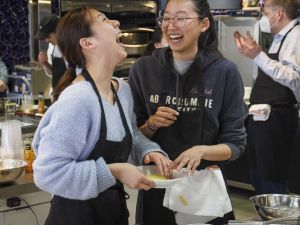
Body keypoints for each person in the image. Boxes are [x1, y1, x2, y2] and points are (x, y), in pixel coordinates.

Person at [32, 7, 172, 225]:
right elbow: (47, 173)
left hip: (112, 213)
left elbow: (130, 134)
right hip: (74, 218)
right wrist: (115, 170)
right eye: (104, 19)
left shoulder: (122, 89)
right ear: (88, 43)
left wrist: (149, 151)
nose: (116, 22)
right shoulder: (78, 99)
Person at [128, 0, 248, 224]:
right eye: (166, 18)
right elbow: (132, 134)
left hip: (203, 193)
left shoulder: (225, 72)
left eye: (181, 18)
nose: (171, 25)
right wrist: (152, 124)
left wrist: (202, 151)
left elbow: (236, 144)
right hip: (156, 186)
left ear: (203, 24)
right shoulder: (143, 69)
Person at [234, 0, 300, 194]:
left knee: (273, 179)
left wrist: (258, 56)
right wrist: (255, 54)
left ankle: (279, 219)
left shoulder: (296, 36)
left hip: (278, 120)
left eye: (265, 12)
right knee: (256, 175)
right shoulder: (278, 38)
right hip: (260, 118)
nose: (263, 18)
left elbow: (295, 79)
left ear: (278, 14)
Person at [35, 14, 66, 90]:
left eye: (49, 37)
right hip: (57, 92)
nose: (47, 41)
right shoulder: (52, 47)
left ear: (59, 31)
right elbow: (54, 73)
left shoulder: (73, 46)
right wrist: (45, 63)